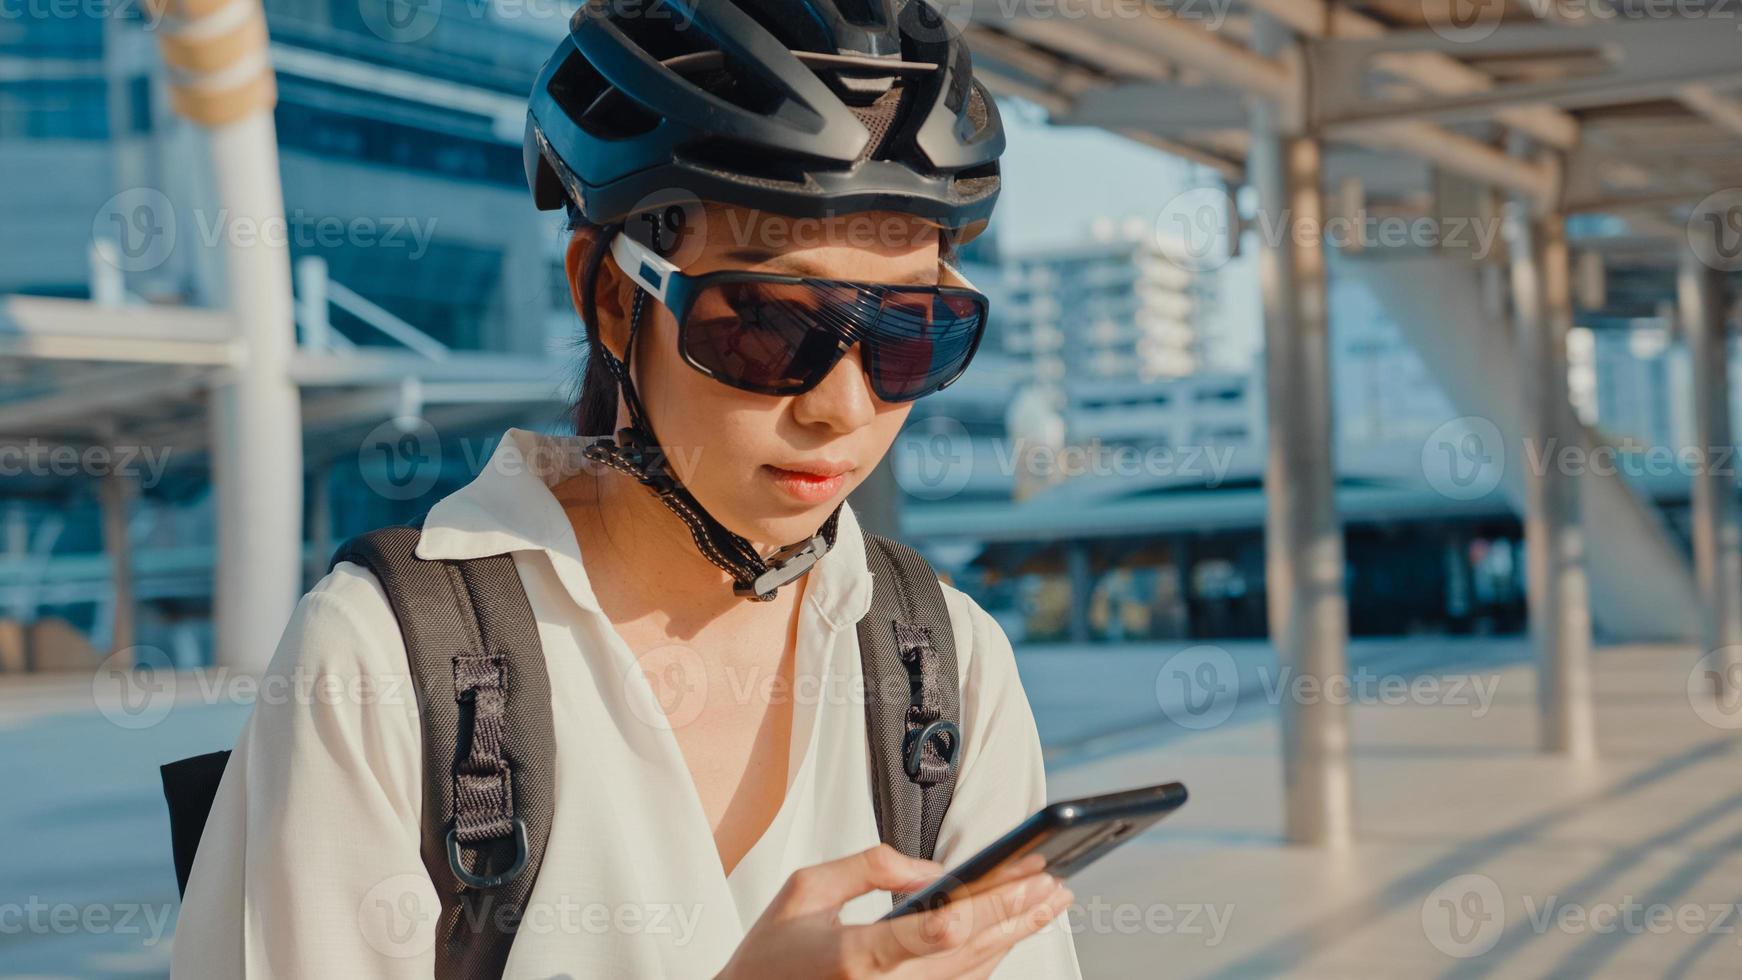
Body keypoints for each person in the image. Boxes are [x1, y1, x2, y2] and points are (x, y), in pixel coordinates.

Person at [171, 0, 1082, 976]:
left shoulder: (946, 663)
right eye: (770, 324)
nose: (840, 406)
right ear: (612, 297)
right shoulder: (385, 663)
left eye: (912, 332)